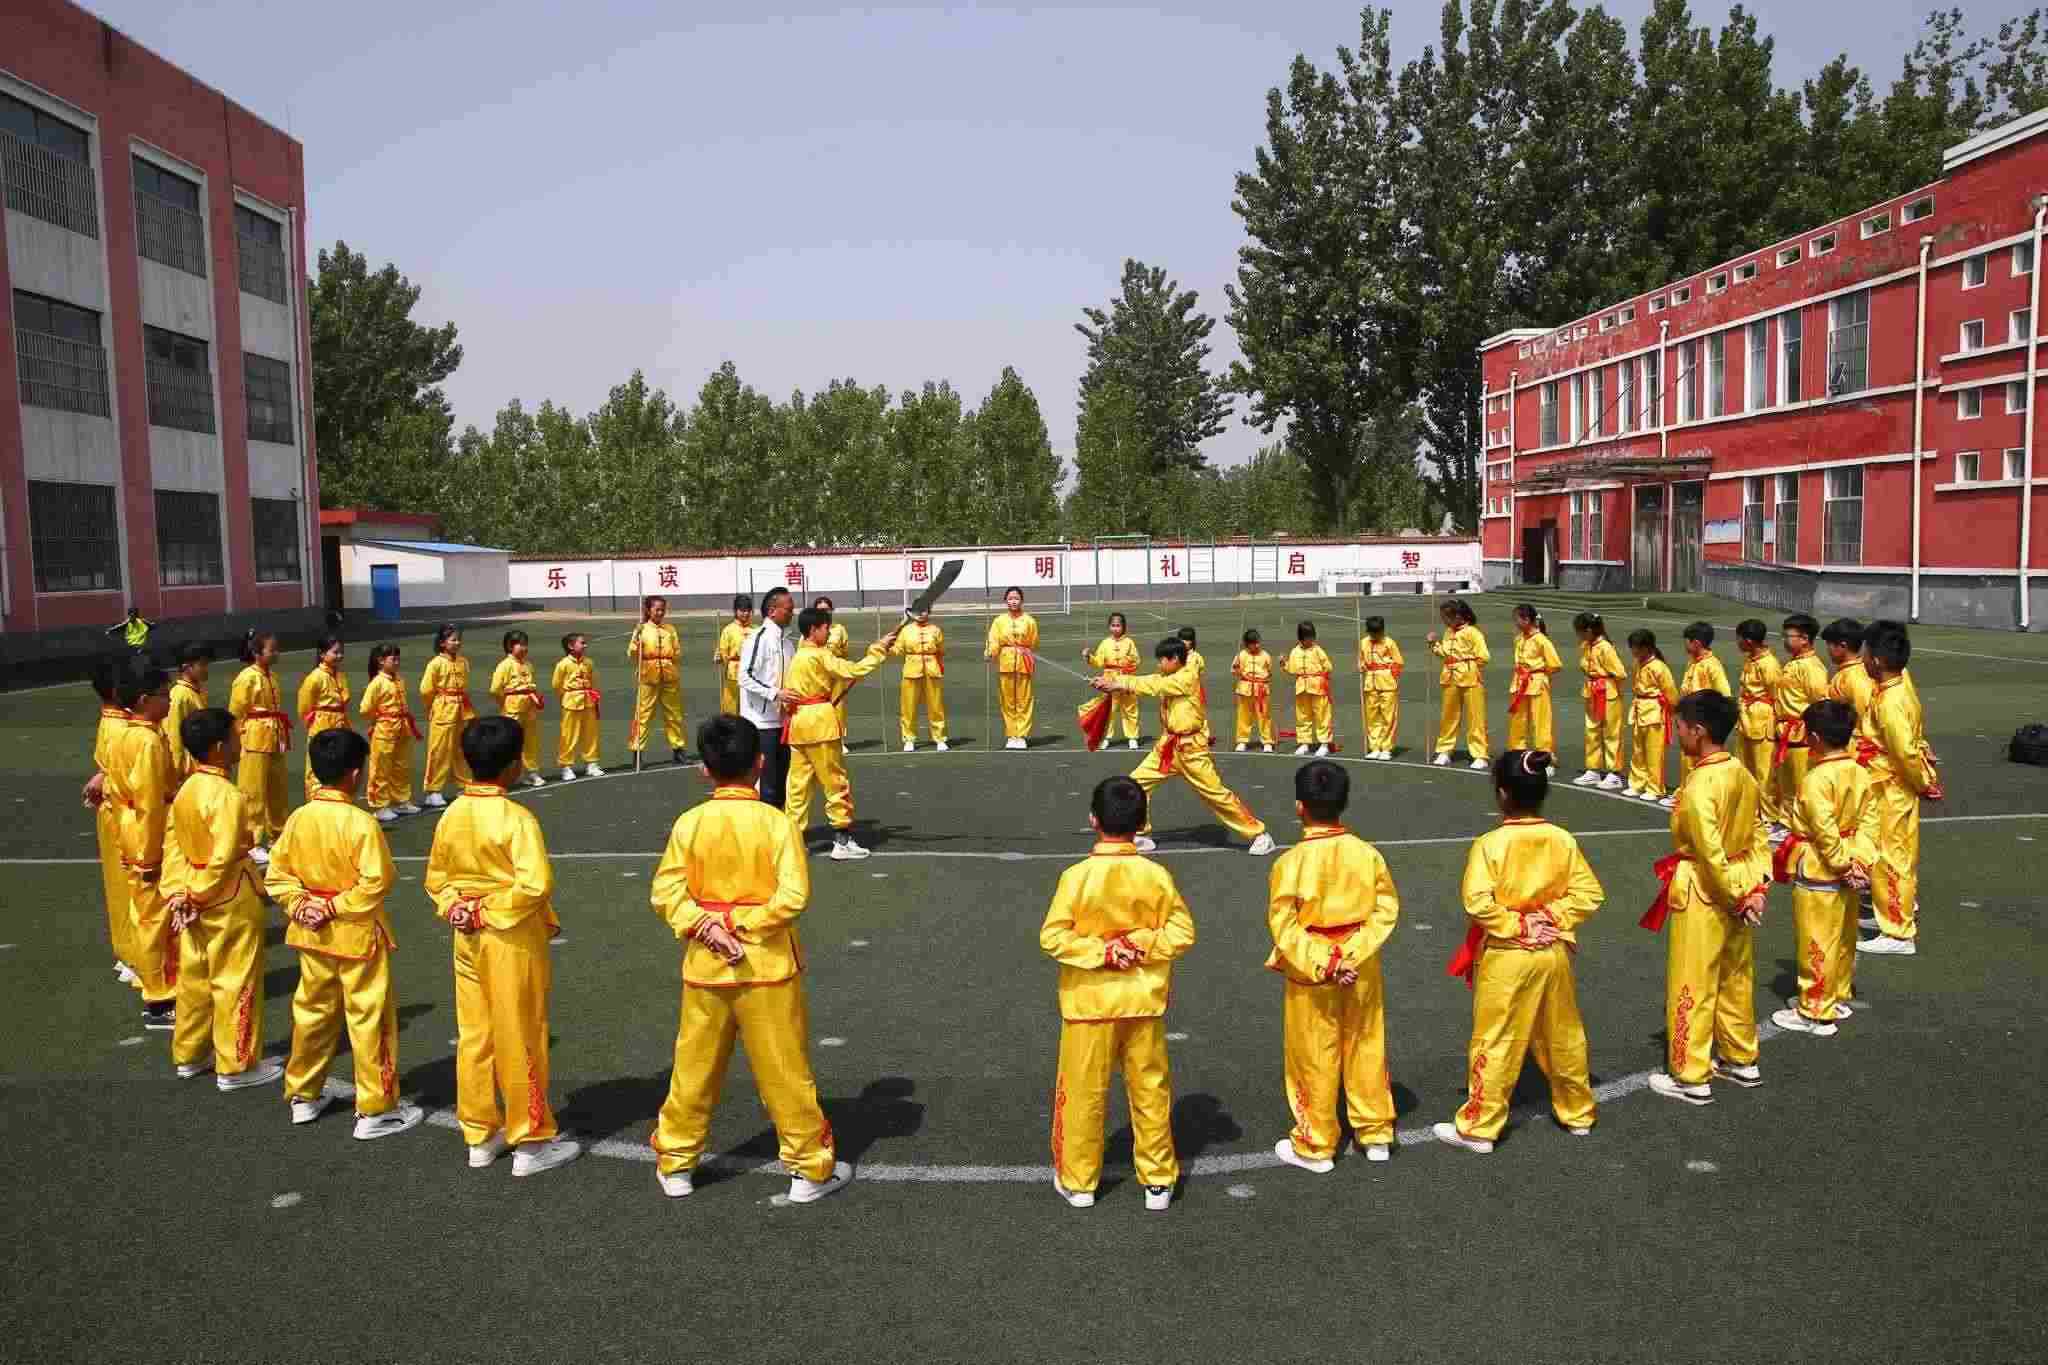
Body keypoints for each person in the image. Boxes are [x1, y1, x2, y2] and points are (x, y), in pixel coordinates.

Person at [646, 716, 852, 1204]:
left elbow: (666, 892)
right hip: (767, 968)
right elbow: (793, 896)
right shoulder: (776, 823)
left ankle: (676, 1163)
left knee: (693, 1067)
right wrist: (741, 924)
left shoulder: (690, 823)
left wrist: (708, 926)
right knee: (785, 1071)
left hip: (705, 964)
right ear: (760, 763)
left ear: (704, 769)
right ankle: (808, 1168)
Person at [424, 717, 580, 1176]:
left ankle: (480, 1134)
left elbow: (437, 878)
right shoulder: (516, 818)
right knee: (520, 1031)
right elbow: (534, 884)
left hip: (467, 935)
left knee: (475, 1032)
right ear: (514, 765)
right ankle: (530, 1140)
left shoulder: (452, 813)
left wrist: (457, 906)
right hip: (509, 934)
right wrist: (486, 908)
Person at [1434, 750, 1603, 1154]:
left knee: (1496, 1039)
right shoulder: (1562, 839)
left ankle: (1481, 1126)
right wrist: (1552, 917)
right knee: (1564, 1034)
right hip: (1553, 950)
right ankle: (1578, 1112)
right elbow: (1589, 893)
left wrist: (1521, 924)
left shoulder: (1490, 844)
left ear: (1503, 793)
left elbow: (1477, 902)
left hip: (1508, 955)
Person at [1039, 776, 1195, 1211]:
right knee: (1150, 1090)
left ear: (1093, 819)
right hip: (1142, 1001)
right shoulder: (1155, 876)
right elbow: (1182, 933)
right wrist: (1140, 945)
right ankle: (1158, 1180)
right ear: (1142, 823)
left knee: (1084, 1093)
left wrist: (1104, 951)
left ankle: (1080, 1181)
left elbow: (1053, 937)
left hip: (1089, 1003)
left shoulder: (1076, 877)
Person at [267, 728, 422, 1139]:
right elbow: (377, 880)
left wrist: (301, 904)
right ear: (355, 773)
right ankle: (375, 1108)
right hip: (355, 933)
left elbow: (277, 874)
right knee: (369, 1016)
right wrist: (333, 906)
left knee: (312, 1012)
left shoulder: (299, 818)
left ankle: (303, 1094)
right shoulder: (360, 822)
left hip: (311, 933)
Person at [1266, 760, 1400, 1173]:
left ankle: (1317, 1144)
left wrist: (1327, 961)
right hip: (1361, 964)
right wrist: (1352, 954)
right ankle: (1375, 1133)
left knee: (1314, 1052)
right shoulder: (1367, 854)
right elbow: (1385, 910)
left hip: (1313, 969)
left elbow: (1284, 926)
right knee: (1366, 1042)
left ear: (1299, 806)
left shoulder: (1290, 862)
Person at [1643, 691, 1769, 1106]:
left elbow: (1709, 850)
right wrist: (1755, 888)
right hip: (1740, 881)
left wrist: (1734, 893)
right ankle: (1740, 1056)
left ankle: (1690, 1073)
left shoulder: (1700, 784)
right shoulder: (1742, 774)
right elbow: (1759, 834)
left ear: (1698, 730)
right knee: (1735, 976)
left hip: (1704, 889)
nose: (1676, 734)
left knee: (1693, 980)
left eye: (1680, 727)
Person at [162, 706, 282, 1091]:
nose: (240, 742)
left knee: (195, 978)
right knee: (236, 978)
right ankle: (236, 1064)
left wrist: (180, 893)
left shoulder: (186, 790)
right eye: (234, 737)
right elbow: (225, 855)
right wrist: (198, 894)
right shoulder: (226, 795)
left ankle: (190, 1053)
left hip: (193, 890)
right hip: (228, 895)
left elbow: (173, 847)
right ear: (218, 747)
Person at [1091, 637, 1275, 857]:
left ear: (1175, 659)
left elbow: (1153, 685)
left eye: (1162, 660)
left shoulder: (1187, 677)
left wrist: (1118, 683)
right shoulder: (1168, 676)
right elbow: (1150, 681)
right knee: (1136, 784)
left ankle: (1259, 834)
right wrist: (1110, 682)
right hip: (1167, 746)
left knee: (1216, 795)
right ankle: (1141, 833)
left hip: (1191, 750)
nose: (1159, 664)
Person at [1770, 700, 1876, 1036]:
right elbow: (1870, 822)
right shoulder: (1860, 771)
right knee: (1843, 937)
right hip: (1851, 860)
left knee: (1816, 940)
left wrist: (1842, 865)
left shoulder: (1816, 779)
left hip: (1820, 867)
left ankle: (1815, 1010)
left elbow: (1824, 829)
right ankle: (1836, 995)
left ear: (1815, 738)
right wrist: (1859, 861)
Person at [781, 607, 898, 861]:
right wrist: (878, 650)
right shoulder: (820, 655)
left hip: (798, 725)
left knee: (798, 788)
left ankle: (794, 842)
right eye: (826, 628)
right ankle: (842, 841)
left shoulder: (798, 656)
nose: (828, 633)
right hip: (820, 724)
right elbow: (853, 670)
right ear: (814, 629)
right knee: (835, 783)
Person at [1858, 624, 1941, 956]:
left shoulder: (1891, 699)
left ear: (1877, 660)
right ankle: (1890, 914)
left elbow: (1904, 751)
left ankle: (1897, 929)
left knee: (1891, 857)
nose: (1862, 659)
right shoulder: (1894, 688)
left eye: (1866, 654)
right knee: (1895, 854)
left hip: (1890, 785)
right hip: (1890, 781)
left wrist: (1922, 782)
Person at [109, 657, 177, 1029]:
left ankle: (157, 988)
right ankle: (160, 998)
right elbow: (150, 802)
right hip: (148, 836)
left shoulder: (126, 734)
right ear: (143, 700)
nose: (169, 700)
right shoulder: (147, 740)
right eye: (163, 695)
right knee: (157, 919)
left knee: (148, 915)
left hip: (131, 830)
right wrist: (152, 856)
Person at [85, 656, 141, 991]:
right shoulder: (123, 727)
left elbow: (109, 767)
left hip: (112, 811)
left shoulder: (111, 720)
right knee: (131, 888)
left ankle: (127, 952)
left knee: (119, 887)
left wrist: (102, 777)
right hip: (124, 815)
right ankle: (137, 956)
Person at [228, 629, 291, 861]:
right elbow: (235, 712)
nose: (276, 653)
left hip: (274, 736)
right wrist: (238, 740)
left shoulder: (272, 676)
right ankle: (251, 841)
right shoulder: (246, 678)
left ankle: (278, 836)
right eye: (271, 650)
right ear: (257, 652)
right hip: (254, 738)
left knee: (278, 789)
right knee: (252, 791)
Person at [1770, 614, 1829, 842]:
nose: (1784, 640)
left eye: (1789, 636)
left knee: (1800, 783)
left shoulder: (1811, 667)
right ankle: (1785, 822)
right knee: (1786, 783)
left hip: (1801, 734)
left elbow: (1819, 701)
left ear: (1804, 639)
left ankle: (1799, 825)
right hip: (1786, 732)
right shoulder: (1794, 663)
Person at [738, 588, 798, 807]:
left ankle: (777, 824)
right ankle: (760, 825)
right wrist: (775, 693)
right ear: (772, 611)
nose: (792, 613)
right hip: (760, 723)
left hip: (784, 723)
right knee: (766, 785)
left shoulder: (788, 643)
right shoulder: (758, 638)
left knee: (783, 782)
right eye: (788, 609)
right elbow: (745, 676)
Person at [359, 644, 422, 824]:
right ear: (381, 661)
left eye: (397, 659)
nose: (397, 662)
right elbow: (365, 709)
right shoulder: (377, 683)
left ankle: (401, 800)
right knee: (381, 767)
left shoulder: (399, 680)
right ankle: (380, 806)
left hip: (402, 728)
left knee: (401, 766)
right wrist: (380, 717)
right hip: (385, 729)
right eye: (393, 659)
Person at [1428, 598, 1490, 769]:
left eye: (1446, 617)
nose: (1444, 620)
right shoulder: (1448, 632)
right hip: (1450, 678)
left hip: (1470, 678)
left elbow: (1484, 657)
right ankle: (1445, 751)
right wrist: (1434, 644)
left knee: (1475, 717)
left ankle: (1480, 754)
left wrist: (1467, 665)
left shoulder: (1473, 632)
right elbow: (1444, 653)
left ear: (1458, 616)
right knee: (1448, 716)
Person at [1733, 620, 1783, 826]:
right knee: (1745, 768)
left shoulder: (1769, 664)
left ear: (1749, 641)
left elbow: (1777, 696)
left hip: (1762, 721)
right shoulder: (1750, 660)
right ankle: (1750, 810)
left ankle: (1769, 816)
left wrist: (1778, 724)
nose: (1737, 643)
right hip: (1746, 718)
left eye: (1739, 639)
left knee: (1764, 772)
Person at [419, 624, 476, 806]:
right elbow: (426, 690)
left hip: (461, 710)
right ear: (442, 643)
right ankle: (433, 790)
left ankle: (464, 784)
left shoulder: (463, 662)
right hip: (443, 710)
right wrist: (436, 706)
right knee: (439, 750)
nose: (457, 643)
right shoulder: (435, 663)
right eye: (453, 640)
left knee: (460, 749)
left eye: (458, 639)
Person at [628, 595, 686, 766]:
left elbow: (677, 652)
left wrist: (669, 661)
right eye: (657, 609)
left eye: (663, 609)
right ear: (648, 610)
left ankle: (678, 749)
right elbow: (631, 653)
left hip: (669, 675)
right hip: (648, 676)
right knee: (643, 715)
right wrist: (637, 640)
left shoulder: (670, 629)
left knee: (674, 714)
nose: (660, 613)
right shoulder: (641, 629)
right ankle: (637, 751)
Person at [1572, 612, 1626, 789]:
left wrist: (1605, 681)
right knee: (1592, 731)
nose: (1578, 635)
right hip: (1592, 691)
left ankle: (1614, 773)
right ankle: (1593, 769)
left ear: (1588, 630)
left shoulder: (1605, 648)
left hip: (1607, 692)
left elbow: (1620, 673)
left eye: (1580, 631)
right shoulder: (1586, 646)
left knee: (1611, 732)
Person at [1676, 622, 1732, 792]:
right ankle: (1685, 791)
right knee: (1687, 757)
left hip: (1702, 721)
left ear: (1696, 643)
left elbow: (1724, 695)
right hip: (1689, 718)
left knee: (1699, 758)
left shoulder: (1712, 665)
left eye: (1687, 641)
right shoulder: (1693, 663)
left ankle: (1698, 791)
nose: (1685, 645)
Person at [1624, 629, 1678, 803]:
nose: (1634, 651)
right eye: (1632, 647)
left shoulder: (1659, 667)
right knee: (1638, 751)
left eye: (1637, 648)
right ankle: (1637, 783)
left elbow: (1671, 693)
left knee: (1654, 752)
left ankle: (1655, 788)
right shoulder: (1638, 664)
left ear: (1647, 648)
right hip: (1640, 709)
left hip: (1655, 711)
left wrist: (1672, 711)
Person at [489, 629, 547, 789]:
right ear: (510, 646)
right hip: (512, 711)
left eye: (526, 644)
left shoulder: (528, 665)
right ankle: (503, 776)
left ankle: (532, 773)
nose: (524, 648)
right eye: (520, 644)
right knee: (509, 743)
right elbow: (495, 689)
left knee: (530, 743)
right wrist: (506, 703)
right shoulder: (504, 665)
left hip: (529, 710)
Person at [297, 636, 352, 801]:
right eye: (335, 652)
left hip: (340, 723)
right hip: (322, 724)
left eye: (341, 652)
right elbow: (304, 707)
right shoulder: (315, 677)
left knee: (340, 763)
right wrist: (315, 723)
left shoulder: (340, 675)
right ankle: (315, 800)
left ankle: (337, 798)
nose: (339, 656)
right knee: (318, 765)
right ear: (322, 654)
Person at [985, 587, 1039, 749]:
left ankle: (1021, 735)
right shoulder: (999, 621)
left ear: (1021, 600)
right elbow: (993, 640)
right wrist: (990, 652)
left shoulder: (1029, 621)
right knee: (1008, 701)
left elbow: (1033, 642)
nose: (1013, 601)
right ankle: (1011, 734)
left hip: (1024, 662)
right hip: (1006, 663)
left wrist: (1025, 650)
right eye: (1010, 598)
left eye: (1016, 598)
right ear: (1005, 601)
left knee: (1024, 700)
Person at [1505, 605, 1563, 755]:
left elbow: (1555, 664)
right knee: (1518, 718)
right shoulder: (1519, 639)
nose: (1515, 623)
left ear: (1526, 620)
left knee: (1541, 720)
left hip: (1537, 683)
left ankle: (1544, 754)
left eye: (1517, 619)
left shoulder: (1542, 640)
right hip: (1519, 682)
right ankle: (1517, 750)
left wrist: (1538, 673)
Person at [891, 607, 948, 751]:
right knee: (908, 707)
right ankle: (909, 739)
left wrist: (939, 666)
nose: (921, 614)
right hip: (911, 669)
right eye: (917, 611)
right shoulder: (906, 630)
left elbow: (941, 650)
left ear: (929, 612)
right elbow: (898, 650)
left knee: (936, 706)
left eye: (924, 610)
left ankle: (940, 738)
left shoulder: (935, 630)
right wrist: (888, 646)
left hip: (932, 669)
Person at [1083, 612, 1142, 750]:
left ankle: (1132, 737)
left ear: (1123, 627)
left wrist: (1127, 665)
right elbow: (1098, 661)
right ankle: (1107, 738)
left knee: (1130, 708)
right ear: (1109, 627)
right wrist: (1088, 656)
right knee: (1110, 709)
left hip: (1126, 679)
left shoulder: (1129, 642)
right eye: (1113, 625)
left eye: (1118, 625)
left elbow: (1137, 660)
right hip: (1109, 679)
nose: (1115, 628)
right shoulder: (1105, 643)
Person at [550, 633, 604, 781]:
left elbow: (593, 681)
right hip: (571, 703)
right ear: (570, 646)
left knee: (590, 734)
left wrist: (593, 698)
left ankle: (591, 763)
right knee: (568, 736)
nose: (585, 645)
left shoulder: (589, 663)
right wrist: (567, 697)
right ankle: (566, 766)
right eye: (582, 643)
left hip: (588, 702)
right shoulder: (563, 664)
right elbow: (556, 685)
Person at [1283, 621, 1334, 757]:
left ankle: (1324, 744)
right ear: (1301, 638)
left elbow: (1328, 666)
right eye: (1307, 637)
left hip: (1318, 687)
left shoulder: (1318, 650)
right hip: (1302, 688)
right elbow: (1292, 669)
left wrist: (1321, 676)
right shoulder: (1295, 651)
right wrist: (1284, 664)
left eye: (1312, 637)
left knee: (1322, 715)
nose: (1310, 640)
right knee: (1302, 716)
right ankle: (1304, 743)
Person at [164, 643, 212, 783]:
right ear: (186, 667)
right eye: (202, 665)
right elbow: (174, 735)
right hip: (189, 767)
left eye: (206, 664)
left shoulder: (198, 691)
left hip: (201, 760)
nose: (206, 669)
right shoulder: (180, 695)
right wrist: (178, 769)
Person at [1357, 616, 1403, 761]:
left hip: (1387, 683)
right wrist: (1362, 666)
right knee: (1372, 717)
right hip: (1370, 684)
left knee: (1388, 717)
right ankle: (1375, 747)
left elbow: (1399, 662)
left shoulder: (1389, 643)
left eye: (1377, 633)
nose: (1374, 636)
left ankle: (1386, 748)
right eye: (1372, 633)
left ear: (1382, 631)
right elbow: (1361, 660)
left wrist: (1390, 671)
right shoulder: (1363, 642)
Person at [1231, 627, 1275, 753]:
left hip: (1261, 689)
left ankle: (1267, 741)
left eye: (1258, 642)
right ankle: (1242, 741)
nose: (1257, 645)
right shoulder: (1241, 655)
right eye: (1253, 643)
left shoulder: (1266, 655)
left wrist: (1263, 679)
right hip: (1245, 689)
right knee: (1243, 716)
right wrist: (1237, 670)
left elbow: (1270, 672)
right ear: (1247, 644)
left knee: (1264, 716)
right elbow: (1234, 670)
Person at [1822, 619, 1874, 725]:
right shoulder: (1848, 672)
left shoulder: (1854, 677)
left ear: (1842, 646)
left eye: (1829, 644)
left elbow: (1863, 718)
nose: (1827, 649)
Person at [814, 595, 853, 733]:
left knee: (838, 706)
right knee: (818, 705)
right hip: (818, 674)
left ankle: (839, 738)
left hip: (836, 674)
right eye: (820, 610)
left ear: (832, 610)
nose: (824, 612)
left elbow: (845, 652)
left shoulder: (839, 629)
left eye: (827, 609)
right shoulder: (811, 628)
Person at [714, 595, 754, 716]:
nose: (745, 613)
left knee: (750, 707)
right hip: (733, 674)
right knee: (731, 708)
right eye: (742, 610)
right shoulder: (728, 630)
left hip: (752, 674)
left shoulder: (755, 630)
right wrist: (719, 658)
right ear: (736, 611)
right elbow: (723, 652)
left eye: (748, 610)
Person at [1177, 627, 1212, 743]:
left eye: (1187, 640)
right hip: (1179, 689)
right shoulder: (1175, 656)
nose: (1184, 642)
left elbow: (1201, 671)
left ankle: (1204, 735)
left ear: (1192, 641)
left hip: (1194, 690)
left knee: (1199, 712)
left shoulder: (1197, 657)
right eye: (1182, 639)